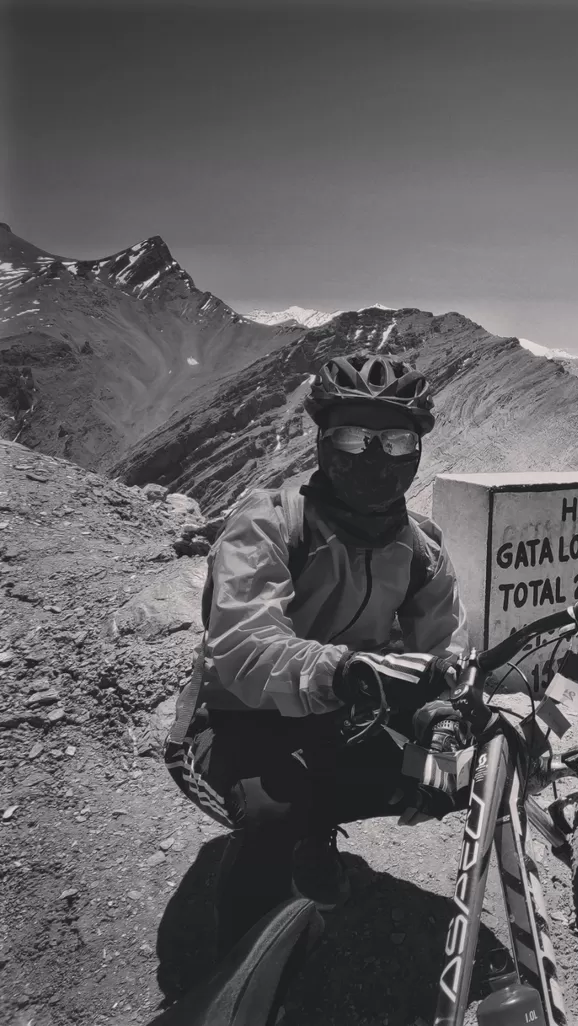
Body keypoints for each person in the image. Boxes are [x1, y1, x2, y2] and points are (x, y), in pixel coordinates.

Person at [171, 352, 468, 958]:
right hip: (236, 720)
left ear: (417, 449)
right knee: (274, 811)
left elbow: (443, 645)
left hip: (341, 712)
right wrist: (337, 668)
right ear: (322, 440)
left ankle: (313, 835)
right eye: (353, 437)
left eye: (394, 439)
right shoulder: (270, 522)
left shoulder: (421, 549)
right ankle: (240, 971)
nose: (374, 457)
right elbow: (243, 645)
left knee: (444, 781)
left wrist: (443, 709)